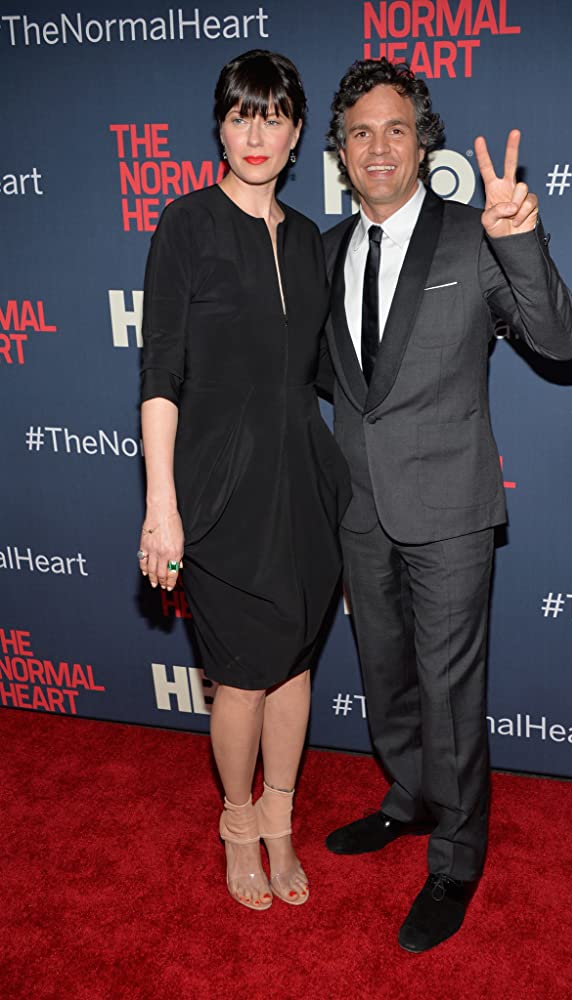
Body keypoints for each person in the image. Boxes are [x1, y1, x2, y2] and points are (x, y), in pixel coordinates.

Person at [321, 58, 572, 953]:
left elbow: (559, 341)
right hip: (359, 507)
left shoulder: (475, 233)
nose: (378, 147)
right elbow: (323, 378)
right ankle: (408, 797)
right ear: (340, 151)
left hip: (451, 509)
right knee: (384, 674)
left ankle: (457, 856)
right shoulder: (324, 248)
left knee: (448, 687)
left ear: (422, 142)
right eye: (360, 132)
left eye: (395, 128)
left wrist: (521, 240)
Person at [137, 49, 350, 913]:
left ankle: (279, 817)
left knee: (293, 664)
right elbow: (160, 375)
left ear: (297, 134)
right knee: (243, 674)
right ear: (219, 129)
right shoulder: (185, 224)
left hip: (301, 483)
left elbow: (333, 369)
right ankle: (236, 822)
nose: (255, 134)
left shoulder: (308, 240)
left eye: (273, 117)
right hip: (218, 488)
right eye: (239, 115)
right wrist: (161, 508)